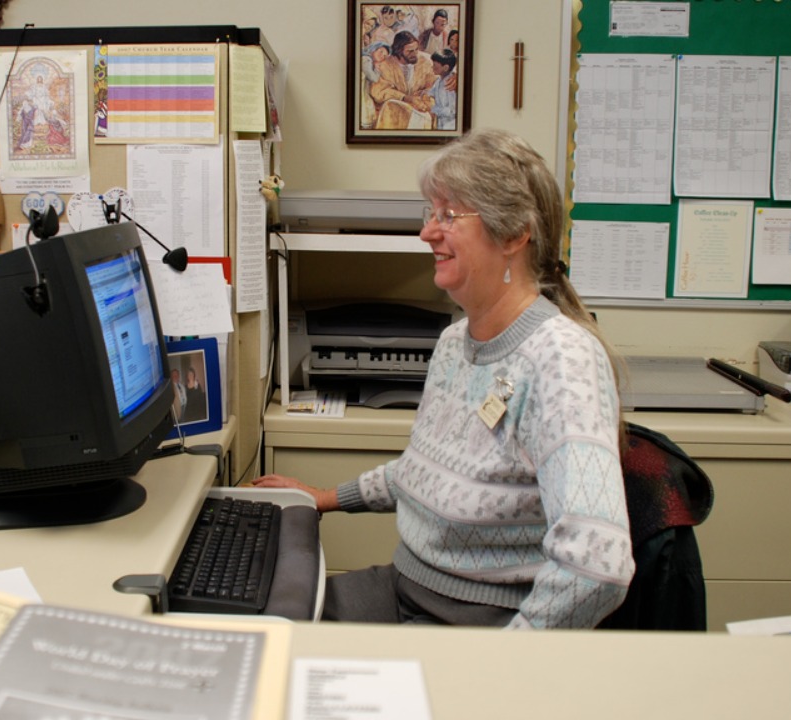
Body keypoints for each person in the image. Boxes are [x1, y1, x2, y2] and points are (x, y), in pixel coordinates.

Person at [254, 128, 633, 630]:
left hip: (475, 619)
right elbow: (425, 474)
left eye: (449, 216)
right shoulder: (456, 341)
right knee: (262, 626)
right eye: (430, 214)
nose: (427, 233)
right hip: (406, 588)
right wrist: (325, 497)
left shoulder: (562, 359)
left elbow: (597, 564)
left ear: (515, 233)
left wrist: (501, 663)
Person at [370, 30, 436, 130]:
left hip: (421, 107)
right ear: (399, 51)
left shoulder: (424, 62)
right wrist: (405, 98)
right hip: (397, 112)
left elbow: (432, 85)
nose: (415, 54)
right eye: (410, 51)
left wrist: (424, 98)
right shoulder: (386, 65)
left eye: (416, 49)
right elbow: (378, 92)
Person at [427, 49, 457, 130]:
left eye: (435, 66)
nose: (432, 67)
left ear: (445, 68)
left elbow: (452, 111)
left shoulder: (450, 84)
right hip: (441, 123)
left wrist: (433, 109)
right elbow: (430, 93)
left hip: (450, 125)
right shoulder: (438, 81)